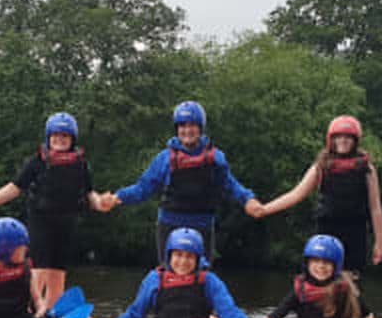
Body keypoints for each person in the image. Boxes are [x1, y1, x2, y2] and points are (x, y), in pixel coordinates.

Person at [99, 101, 263, 264]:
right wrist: (116, 198)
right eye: (182, 126)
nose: (187, 131)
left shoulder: (216, 158)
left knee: (200, 275)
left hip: (202, 226)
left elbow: (231, 185)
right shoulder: (164, 159)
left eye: (192, 125)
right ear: (177, 129)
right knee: (169, 274)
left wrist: (248, 199)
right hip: (170, 225)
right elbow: (143, 188)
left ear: (200, 128)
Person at [0, 112, 109, 310]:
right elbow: (15, 187)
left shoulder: (81, 164)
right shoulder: (37, 162)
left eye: (64, 136)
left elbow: (90, 193)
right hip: (41, 221)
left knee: (58, 271)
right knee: (39, 268)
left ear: (72, 140)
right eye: (55, 135)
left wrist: (100, 203)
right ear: (48, 137)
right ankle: (30, 310)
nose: (59, 140)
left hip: (66, 222)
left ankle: (50, 312)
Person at [86, 228, 268, 318]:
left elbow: (232, 316)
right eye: (178, 255)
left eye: (189, 256)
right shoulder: (154, 280)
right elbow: (134, 317)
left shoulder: (209, 282)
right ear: (169, 256)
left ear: (197, 259)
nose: (183, 261)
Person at [258, 115, 382, 274]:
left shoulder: (367, 169)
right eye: (339, 137)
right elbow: (296, 194)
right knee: (321, 277)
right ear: (331, 140)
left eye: (348, 137)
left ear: (355, 141)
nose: (343, 141)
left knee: (350, 278)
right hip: (326, 230)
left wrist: (380, 243)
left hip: (355, 232)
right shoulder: (321, 166)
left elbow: (375, 208)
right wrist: (264, 209)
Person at [255, 234, 374, 318]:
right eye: (315, 261)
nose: (321, 266)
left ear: (336, 266)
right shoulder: (300, 290)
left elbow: (368, 315)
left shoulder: (343, 289)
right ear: (307, 263)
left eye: (327, 262)